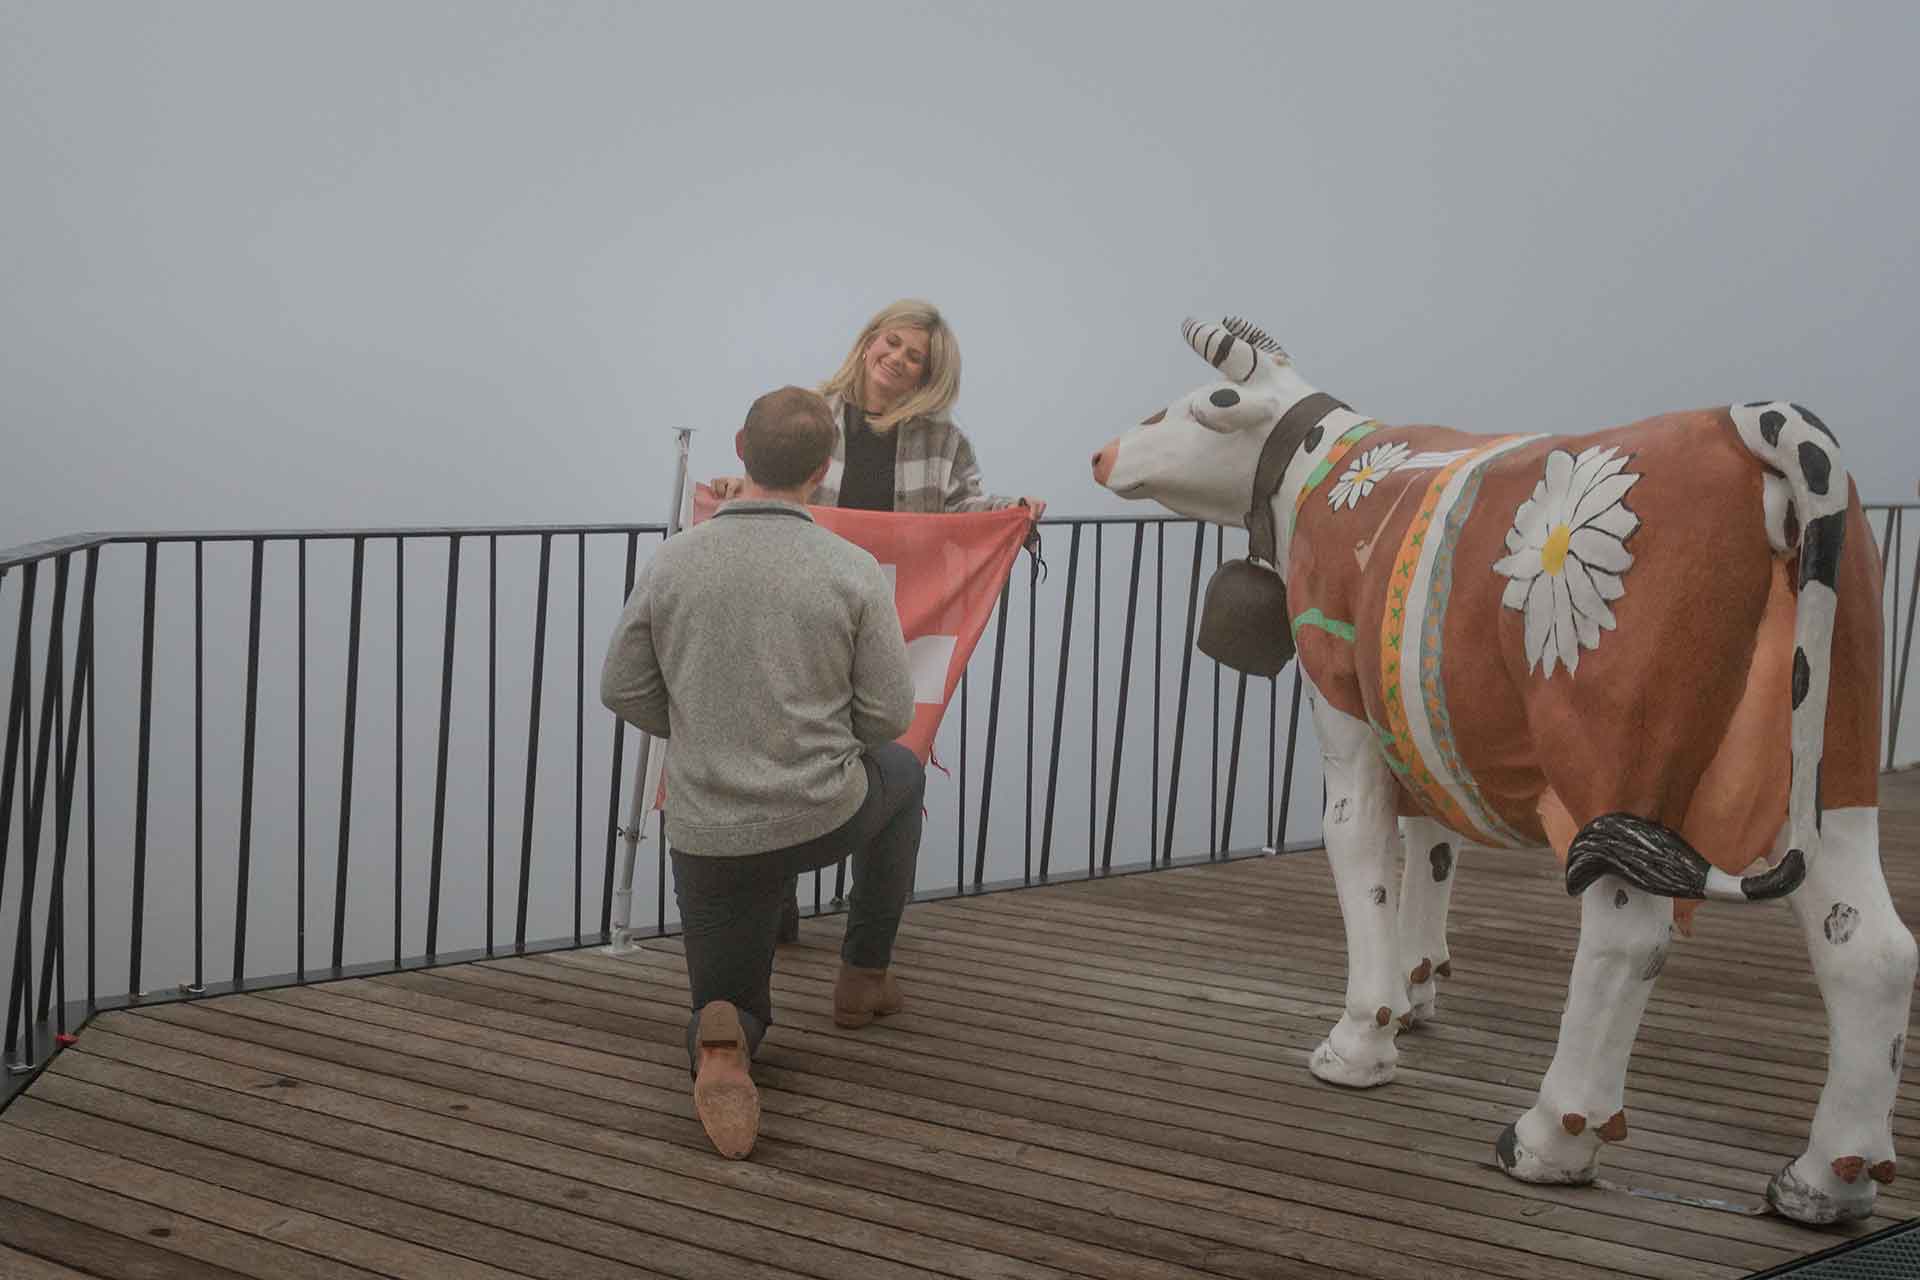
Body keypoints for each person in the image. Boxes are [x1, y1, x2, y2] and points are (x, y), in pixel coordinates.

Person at [601, 385, 927, 1160]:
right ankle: (862, 976)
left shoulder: (675, 560)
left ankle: (723, 1044)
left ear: (742, 450)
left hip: (710, 832)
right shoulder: (850, 569)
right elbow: (886, 717)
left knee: (734, 999)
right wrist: (808, 736)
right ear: (823, 469)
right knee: (904, 774)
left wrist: (702, 730)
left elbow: (621, 686)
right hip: (822, 813)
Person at [710, 298, 1044, 939]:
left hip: (898, 621)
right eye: (890, 343)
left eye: (914, 356)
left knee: (891, 758)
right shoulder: (808, 414)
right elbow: (769, 481)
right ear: (868, 343)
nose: (897, 359)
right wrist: (732, 486)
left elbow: (967, 509)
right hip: (803, 611)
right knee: (788, 748)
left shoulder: (944, 441)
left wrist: (1016, 514)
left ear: (927, 375)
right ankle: (773, 910)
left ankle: (865, 942)